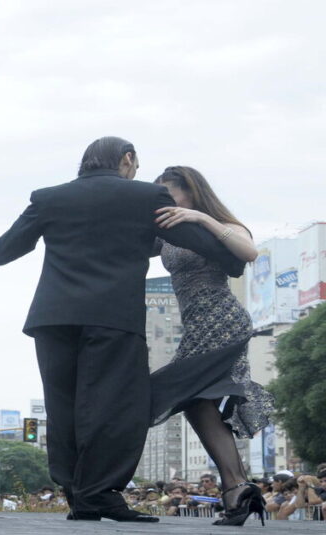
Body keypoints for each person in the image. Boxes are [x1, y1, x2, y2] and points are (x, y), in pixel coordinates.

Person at [0, 136, 245, 523]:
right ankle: (101, 495)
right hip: (113, 318)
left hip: (53, 319)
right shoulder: (145, 197)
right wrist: (209, 227)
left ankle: (78, 495)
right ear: (127, 159)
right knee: (116, 408)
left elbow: (1, 252)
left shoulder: (48, 198)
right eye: (135, 167)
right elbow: (223, 256)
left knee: (64, 407)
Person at [148, 166, 275, 526]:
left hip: (222, 321)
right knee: (195, 403)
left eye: (170, 195)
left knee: (191, 397)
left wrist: (201, 218)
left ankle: (235, 487)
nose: (166, 203)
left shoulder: (219, 223)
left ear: (192, 193)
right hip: (195, 324)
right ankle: (237, 489)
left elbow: (248, 252)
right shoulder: (170, 234)